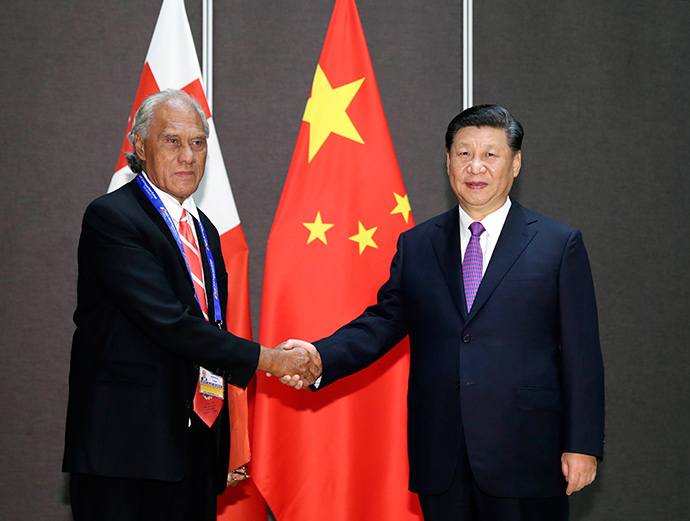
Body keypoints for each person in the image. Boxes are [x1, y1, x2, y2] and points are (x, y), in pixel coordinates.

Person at [283, 105, 604, 521]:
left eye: (490, 154)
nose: (476, 166)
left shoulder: (558, 244)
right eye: (464, 153)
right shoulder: (418, 244)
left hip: (526, 453)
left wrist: (582, 444)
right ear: (448, 162)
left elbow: (582, 354)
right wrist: (320, 356)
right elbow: (382, 322)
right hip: (441, 454)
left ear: (516, 163)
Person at [62, 89, 321, 521]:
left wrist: (221, 438)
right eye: (172, 141)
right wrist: (272, 360)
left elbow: (210, 333)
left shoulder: (205, 230)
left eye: (198, 143)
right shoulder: (113, 218)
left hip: (194, 448)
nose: (188, 156)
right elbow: (171, 323)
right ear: (140, 145)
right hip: (126, 452)